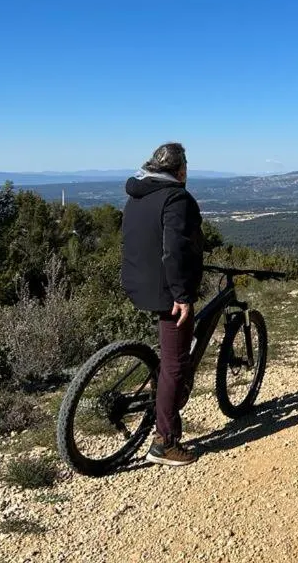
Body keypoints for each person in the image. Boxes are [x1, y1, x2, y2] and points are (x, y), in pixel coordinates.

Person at [121, 142, 204, 466]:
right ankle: (165, 442)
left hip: (137, 282)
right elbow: (175, 249)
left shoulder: (137, 195)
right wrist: (182, 295)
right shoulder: (177, 198)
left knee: (169, 358)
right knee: (175, 363)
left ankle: (164, 398)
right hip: (165, 290)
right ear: (180, 170)